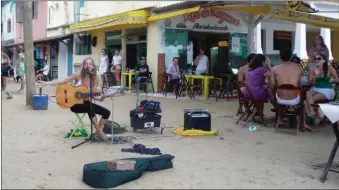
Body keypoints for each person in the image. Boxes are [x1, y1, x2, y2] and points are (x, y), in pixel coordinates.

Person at [36, 57, 111, 141]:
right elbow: (63, 81)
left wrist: (102, 98)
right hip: (75, 104)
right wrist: (46, 83)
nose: (88, 66)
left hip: (86, 103)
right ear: (83, 65)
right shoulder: (77, 75)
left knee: (106, 112)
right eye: (86, 64)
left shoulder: (94, 79)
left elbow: (93, 95)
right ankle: (101, 133)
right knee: (90, 108)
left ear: (93, 66)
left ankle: (97, 133)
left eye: (90, 64)